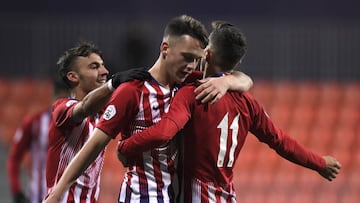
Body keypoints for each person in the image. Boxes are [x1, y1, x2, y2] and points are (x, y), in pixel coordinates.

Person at [117, 21, 342, 202]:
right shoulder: (248, 103)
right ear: (239, 61)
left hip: (196, 195)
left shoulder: (193, 93)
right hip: (227, 195)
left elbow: (164, 132)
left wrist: (126, 146)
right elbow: (280, 141)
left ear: (207, 54)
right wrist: (320, 163)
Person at [43, 15, 253, 203]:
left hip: (173, 195)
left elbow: (243, 79)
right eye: (187, 57)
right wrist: (58, 192)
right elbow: (94, 145)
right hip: (142, 195)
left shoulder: (187, 84)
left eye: (196, 60)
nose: (191, 66)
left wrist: (225, 83)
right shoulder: (133, 90)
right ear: (165, 48)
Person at [45, 40, 152, 203]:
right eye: (94, 67)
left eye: (103, 65)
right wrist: (114, 83)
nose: (104, 71)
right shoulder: (61, 109)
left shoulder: (104, 114)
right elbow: (85, 107)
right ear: (73, 76)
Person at [6, 78, 69, 203]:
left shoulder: (81, 125)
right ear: (54, 96)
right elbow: (14, 158)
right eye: (60, 99)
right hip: (38, 197)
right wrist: (16, 190)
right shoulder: (34, 122)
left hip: (69, 197)